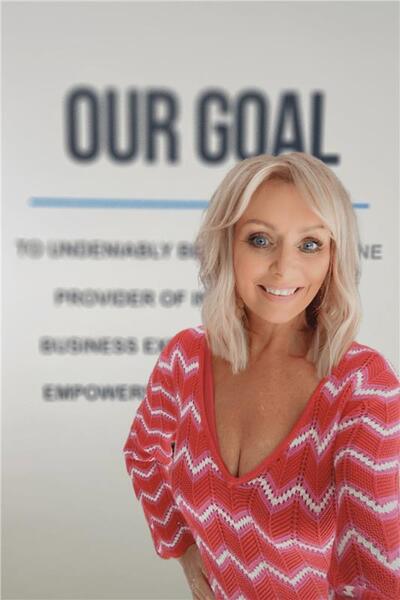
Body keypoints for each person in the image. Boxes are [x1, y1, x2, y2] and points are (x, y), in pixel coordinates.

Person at [122, 152, 400, 599]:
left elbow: (377, 583)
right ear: (227, 244)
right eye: (260, 239)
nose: (284, 268)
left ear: (334, 256)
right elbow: (142, 453)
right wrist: (184, 550)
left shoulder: (361, 386)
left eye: (310, 244)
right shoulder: (186, 358)